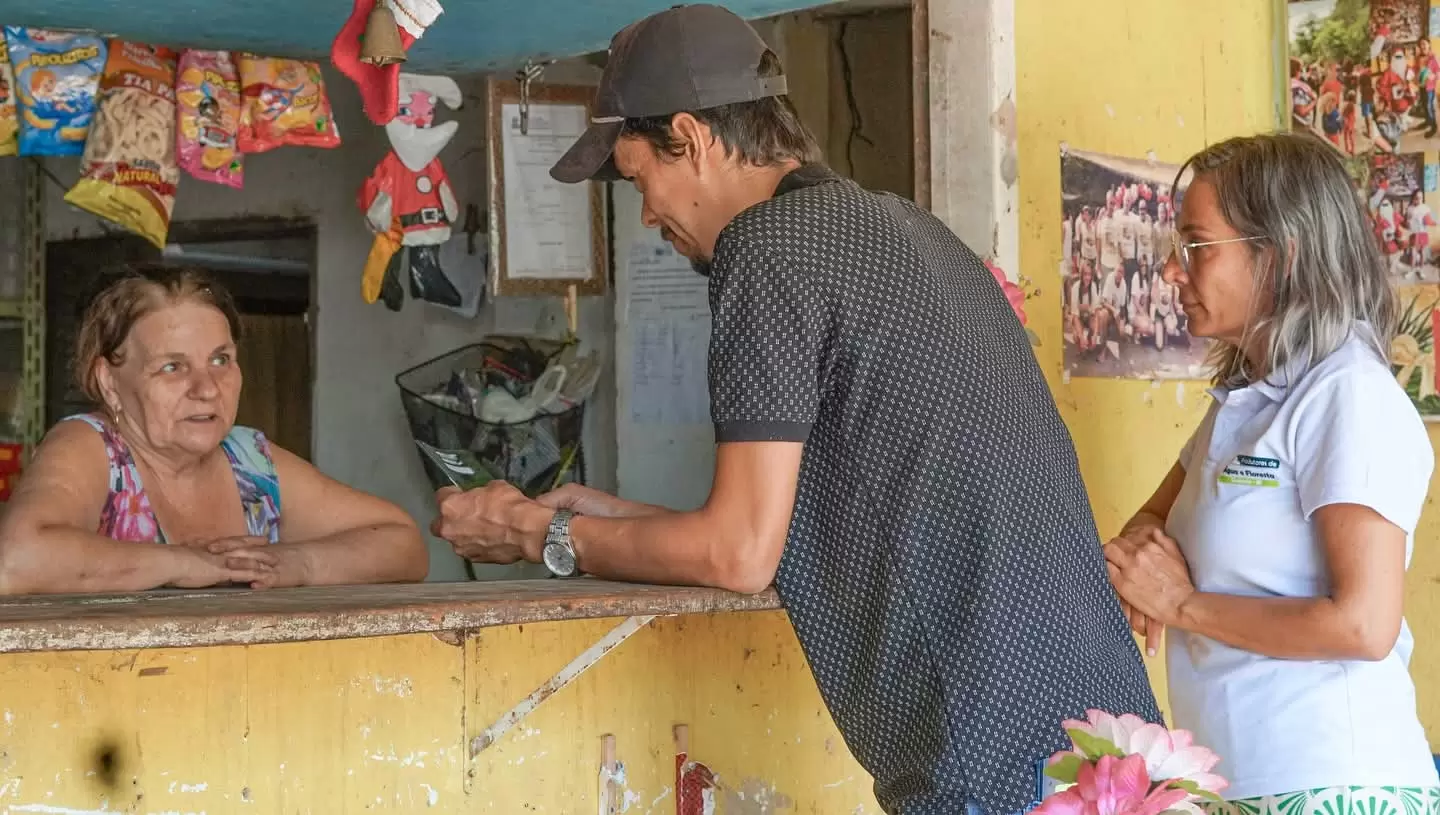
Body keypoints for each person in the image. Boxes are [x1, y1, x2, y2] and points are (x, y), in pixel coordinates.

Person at [430, 5, 1159, 815]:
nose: (648, 214)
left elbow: (739, 553)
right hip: (1116, 752)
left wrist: (536, 533)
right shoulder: (914, 230)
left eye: (639, 179)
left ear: (692, 138)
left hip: (989, 763)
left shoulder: (766, 247)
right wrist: (611, 518)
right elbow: (806, 523)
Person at [1105, 133, 1440, 811]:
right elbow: (1150, 523)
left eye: (1197, 246)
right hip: (1240, 780)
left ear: (1280, 255)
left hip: (1333, 782)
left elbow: (1362, 625)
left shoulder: (1348, 394)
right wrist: (1143, 561)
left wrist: (1181, 604)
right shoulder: (1248, 400)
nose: (1171, 271)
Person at [0, 267, 428, 594]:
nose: (206, 389)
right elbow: (16, 561)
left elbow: (403, 543)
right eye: (173, 367)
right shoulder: (92, 447)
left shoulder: (250, 460)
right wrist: (187, 564)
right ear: (109, 381)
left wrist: (299, 563)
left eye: (221, 360)